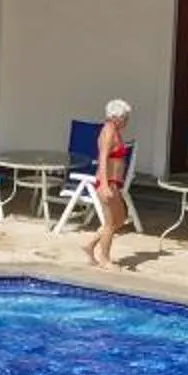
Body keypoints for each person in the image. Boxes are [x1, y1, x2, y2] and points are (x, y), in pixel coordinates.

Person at [82, 98, 133, 269]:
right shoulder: (108, 132)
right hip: (107, 182)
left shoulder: (114, 131)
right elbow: (102, 160)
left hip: (114, 183)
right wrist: (104, 185)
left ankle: (90, 245)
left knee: (121, 219)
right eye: (126, 118)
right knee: (111, 223)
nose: (127, 121)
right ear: (116, 117)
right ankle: (104, 259)